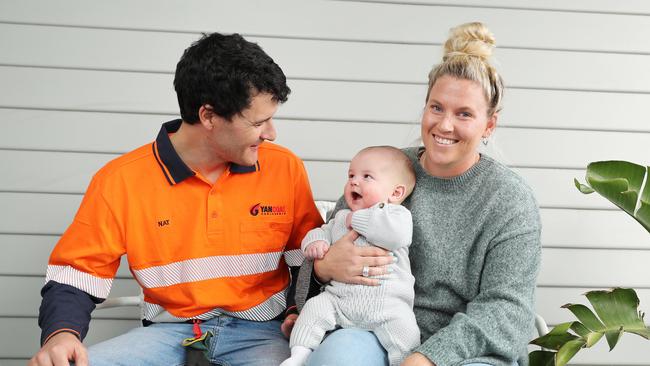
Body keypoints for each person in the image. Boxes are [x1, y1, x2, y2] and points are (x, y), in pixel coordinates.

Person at [29, 32, 324, 366]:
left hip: (264, 335)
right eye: (259, 122)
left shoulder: (284, 167)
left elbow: (309, 261)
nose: (271, 133)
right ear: (209, 116)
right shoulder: (120, 180)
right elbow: (75, 274)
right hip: (169, 334)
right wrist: (61, 334)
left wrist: (300, 312)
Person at [294, 22, 542, 366]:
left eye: (464, 114)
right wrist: (323, 268)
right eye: (437, 107)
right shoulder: (386, 169)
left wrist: (427, 356)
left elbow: (507, 309)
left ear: (489, 125)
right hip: (372, 328)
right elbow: (327, 249)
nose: (444, 125)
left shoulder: (509, 200)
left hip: (469, 351)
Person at [281, 146, 420, 366]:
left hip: (389, 307)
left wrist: (356, 220)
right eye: (351, 175)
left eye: (367, 177)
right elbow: (319, 232)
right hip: (339, 301)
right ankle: (299, 355)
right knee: (313, 310)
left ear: (395, 193)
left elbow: (395, 236)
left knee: (406, 335)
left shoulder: (397, 216)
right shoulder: (340, 218)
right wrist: (315, 242)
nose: (355, 182)